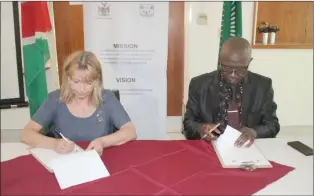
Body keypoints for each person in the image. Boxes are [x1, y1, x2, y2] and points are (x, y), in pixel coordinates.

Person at [21, 51, 137, 156]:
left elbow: (130, 131)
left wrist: (103, 142)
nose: (81, 89)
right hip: (64, 162)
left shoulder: (107, 98)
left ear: (97, 81)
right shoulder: (55, 99)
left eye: (88, 82)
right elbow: (26, 134)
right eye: (76, 81)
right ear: (68, 79)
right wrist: (54, 144)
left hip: (102, 162)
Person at [183, 37, 279, 147]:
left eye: (240, 70)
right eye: (227, 68)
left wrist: (254, 132)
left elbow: (273, 125)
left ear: (249, 61)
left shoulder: (262, 85)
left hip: (248, 146)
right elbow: (188, 123)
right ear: (219, 60)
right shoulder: (199, 84)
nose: (233, 74)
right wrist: (201, 129)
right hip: (210, 146)